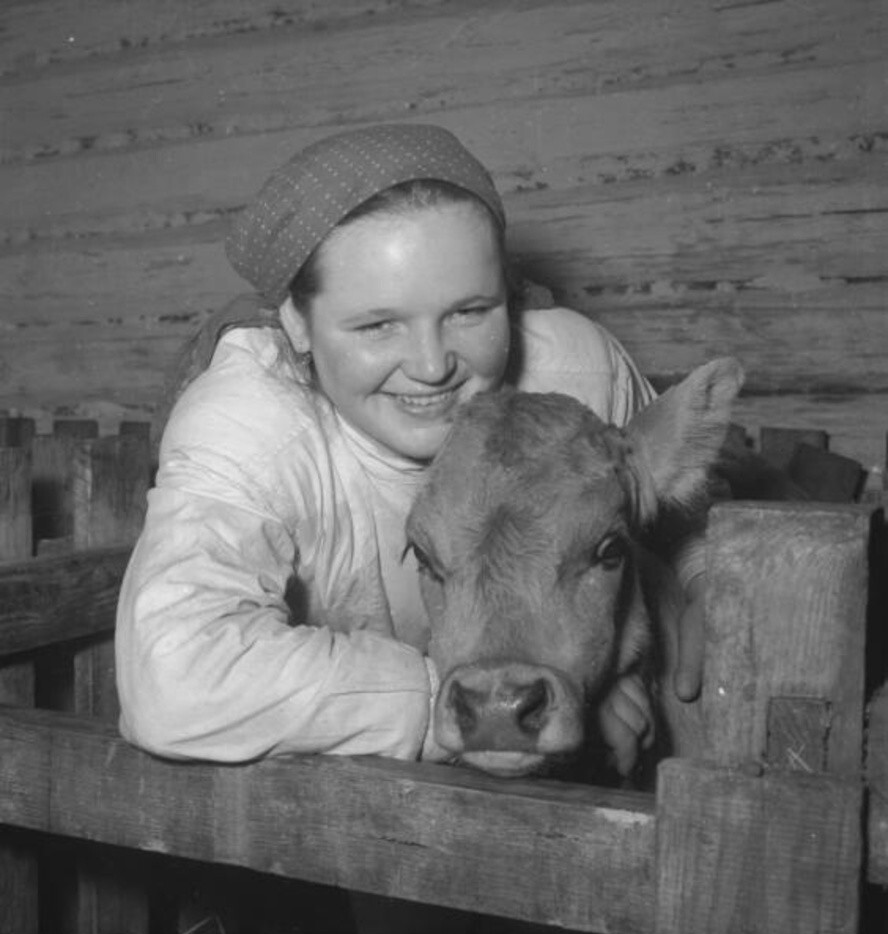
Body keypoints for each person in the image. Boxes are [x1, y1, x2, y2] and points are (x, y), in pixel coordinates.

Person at [115, 123, 706, 780]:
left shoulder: (574, 375)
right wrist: (446, 700)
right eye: (377, 324)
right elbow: (173, 678)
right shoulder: (252, 427)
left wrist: (655, 632)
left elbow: (667, 515)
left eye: (471, 311)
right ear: (295, 323)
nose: (431, 367)